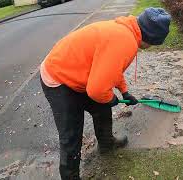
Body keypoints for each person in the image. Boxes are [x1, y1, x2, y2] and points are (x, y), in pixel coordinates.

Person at [40, 7, 171, 180]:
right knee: (71, 134)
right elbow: (96, 90)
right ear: (151, 37)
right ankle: (70, 177)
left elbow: (112, 70)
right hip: (58, 77)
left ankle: (106, 143)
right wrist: (111, 99)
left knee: (101, 108)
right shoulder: (125, 41)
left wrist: (124, 92)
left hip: (79, 73)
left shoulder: (127, 29)